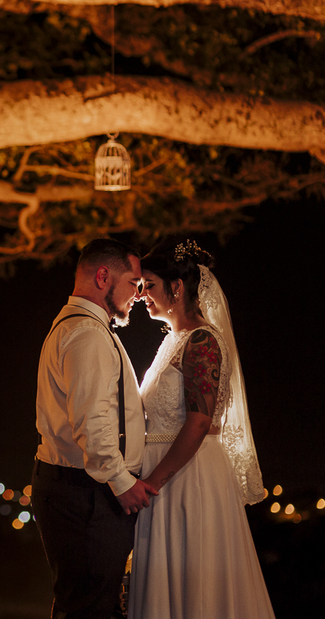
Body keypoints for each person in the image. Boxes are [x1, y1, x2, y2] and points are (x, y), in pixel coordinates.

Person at [129, 239, 275, 619]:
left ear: (176, 287)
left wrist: (152, 483)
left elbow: (199, 422)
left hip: (186, 479)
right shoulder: (173, 341)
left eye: (149, 285)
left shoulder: (203, 340)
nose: (141, 295)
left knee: (195, 587)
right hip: (166, 476)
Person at [33, 238, 156, 619]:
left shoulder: (82, 327)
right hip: (85, 493)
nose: (139, 294)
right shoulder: (87, 333)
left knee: (85, 605)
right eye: (133, 283)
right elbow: (93, 420)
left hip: (79, 490)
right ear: (103, 277)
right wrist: (122, 482)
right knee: (91, 609)